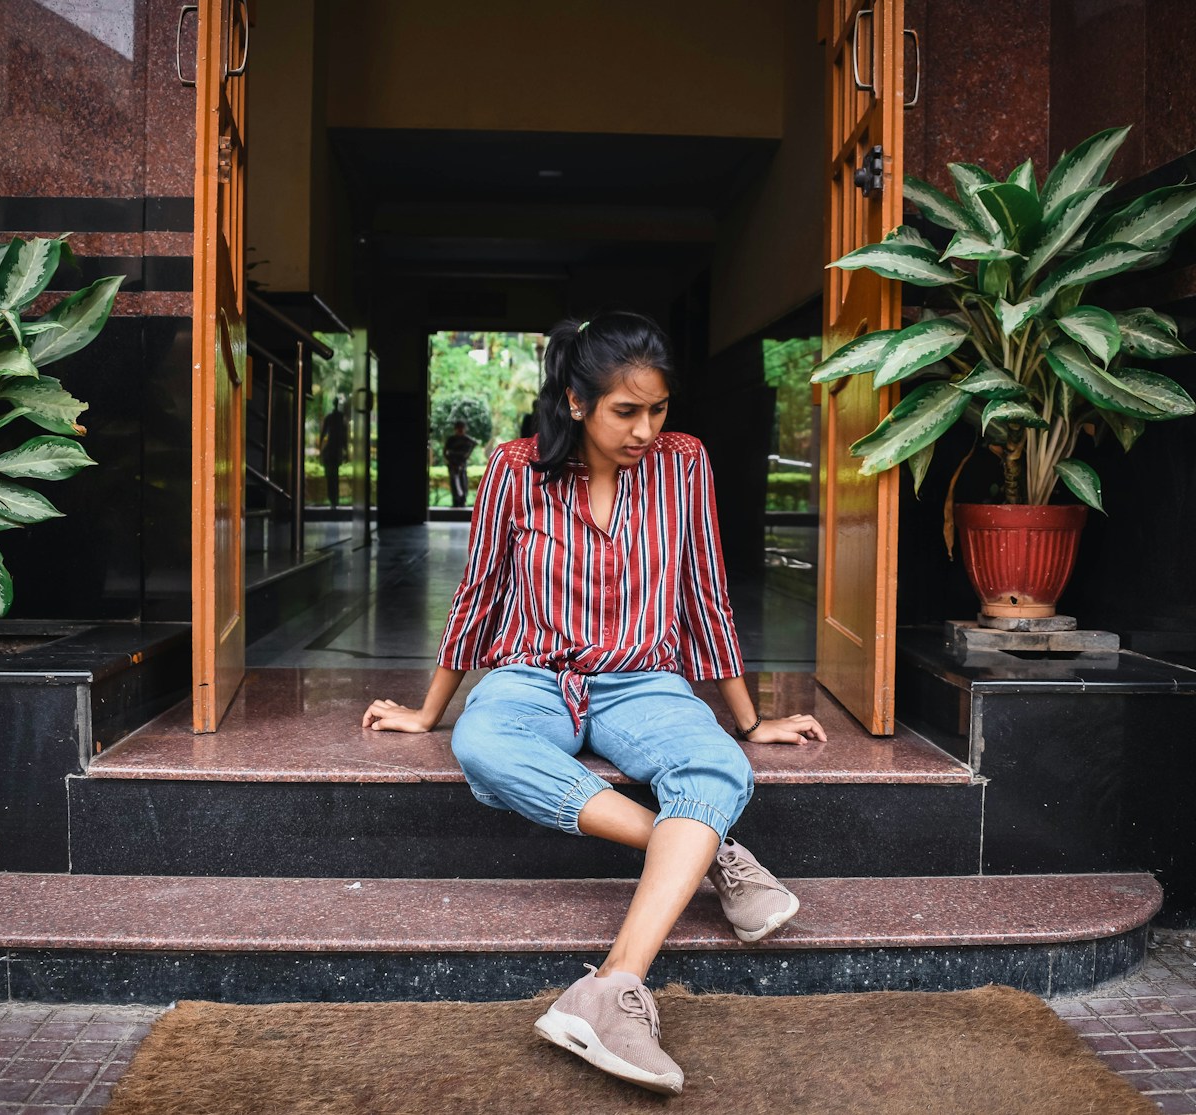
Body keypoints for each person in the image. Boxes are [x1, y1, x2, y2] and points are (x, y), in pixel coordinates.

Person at [363, 310, 826, 1095]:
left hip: (644, 677)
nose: (646, 429)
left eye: (659, 409)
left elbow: (704, 593)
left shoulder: (685, 465)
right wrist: (429, 711)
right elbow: (477, 595)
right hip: (530, 674)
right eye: (626, 411)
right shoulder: (515, 468)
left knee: (714, 765)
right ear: (577, 402)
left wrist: (748, 720)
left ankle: (613, 985)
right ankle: (711, 853)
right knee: (483, 745)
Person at [318, 398, 348, 509]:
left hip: (331, 451)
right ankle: (334, 500)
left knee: (331, 477)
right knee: (334, 477)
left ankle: (333, 499)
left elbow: (323, 434)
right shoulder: (340, 418)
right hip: (335, 451)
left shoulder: (331, 418)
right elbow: (344, 437)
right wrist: (346, 452)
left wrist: (320, 448)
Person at [442, 419, 477, 508]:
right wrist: (449, 460)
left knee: (463, 481)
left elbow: (474, 444)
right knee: (454, 482)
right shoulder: (451, 439)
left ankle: (463, 500)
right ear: (455, 429)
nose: (460, 430)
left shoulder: (467, 439)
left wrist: (467, 455)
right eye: (458, 428)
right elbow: (445, 451)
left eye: (462, 428)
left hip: (462, 464)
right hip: (453, 464)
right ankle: (456, 501)